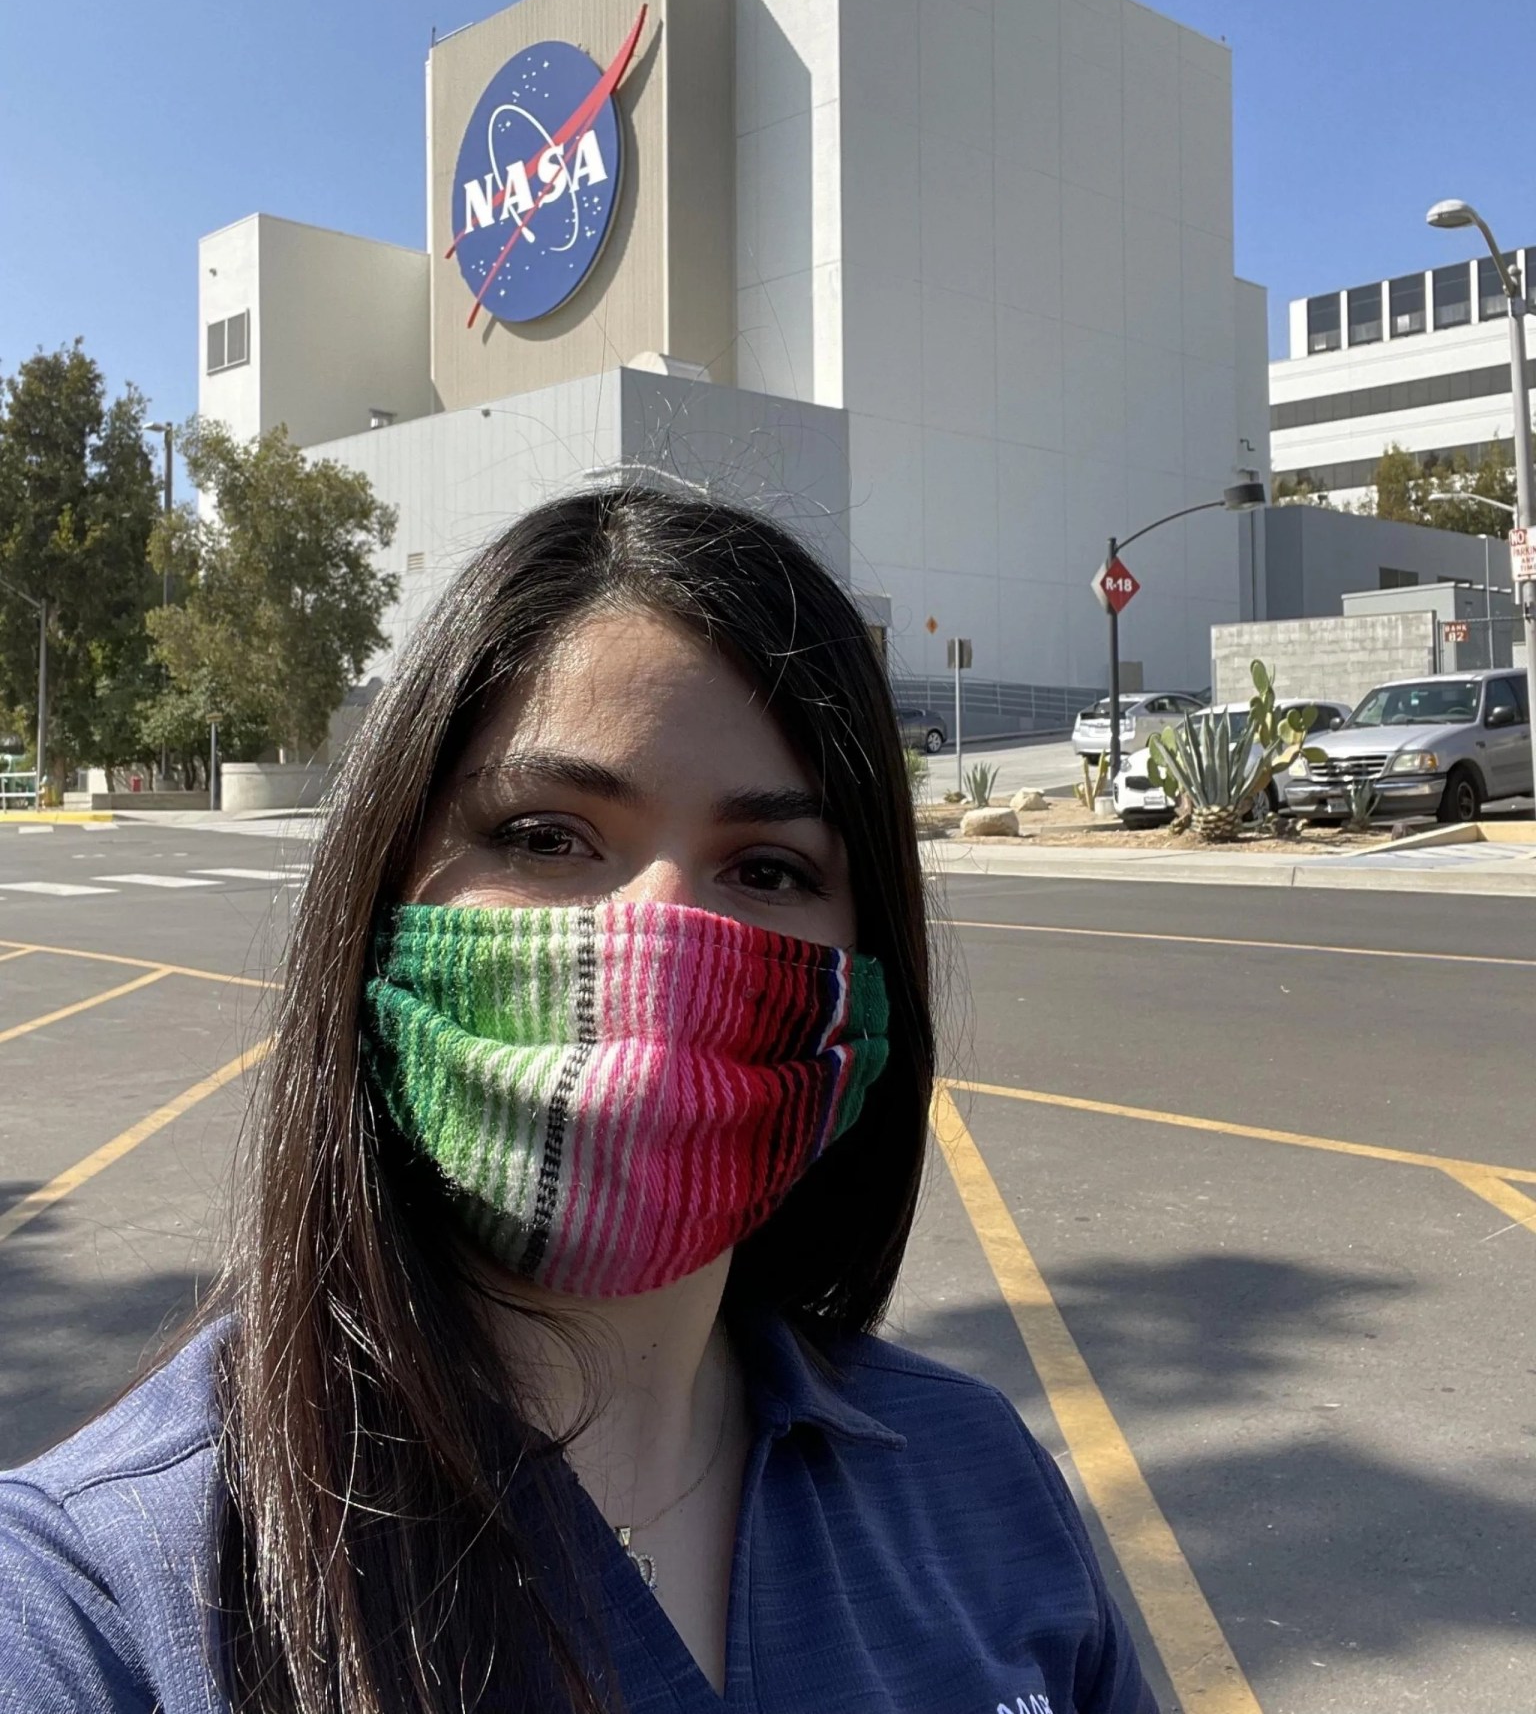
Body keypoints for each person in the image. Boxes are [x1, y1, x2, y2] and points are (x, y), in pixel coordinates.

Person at [0, 486, 1157, 1714]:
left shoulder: (986, 1484)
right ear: (382, 898)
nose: (658, 938)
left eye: (767, 867)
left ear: (867, 976)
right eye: (547, 837)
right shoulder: (96, 1607)